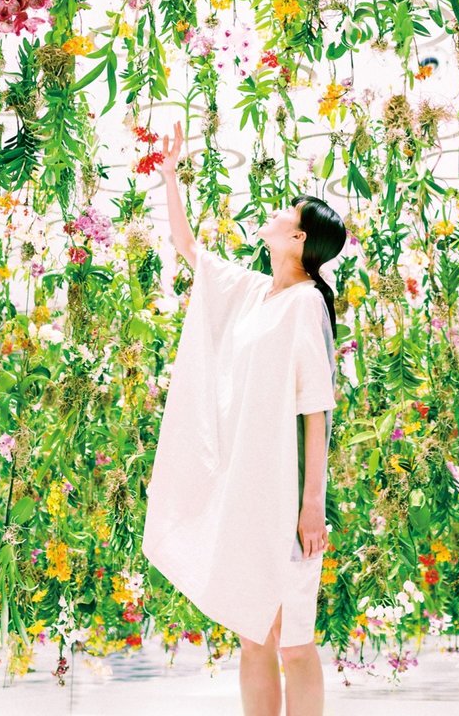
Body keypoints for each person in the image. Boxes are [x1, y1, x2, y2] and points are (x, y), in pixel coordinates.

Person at [141, 120, 347, 716]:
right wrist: (172, 175)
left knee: (294, 638)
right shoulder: (257, 292)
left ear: (298, 237)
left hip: (285, 499)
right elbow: (189, 251)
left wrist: (312, 504)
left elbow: (317, 410)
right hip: (249, 494)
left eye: (287, 212)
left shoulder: (307, 303)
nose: (276, 214)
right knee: (255, 634)